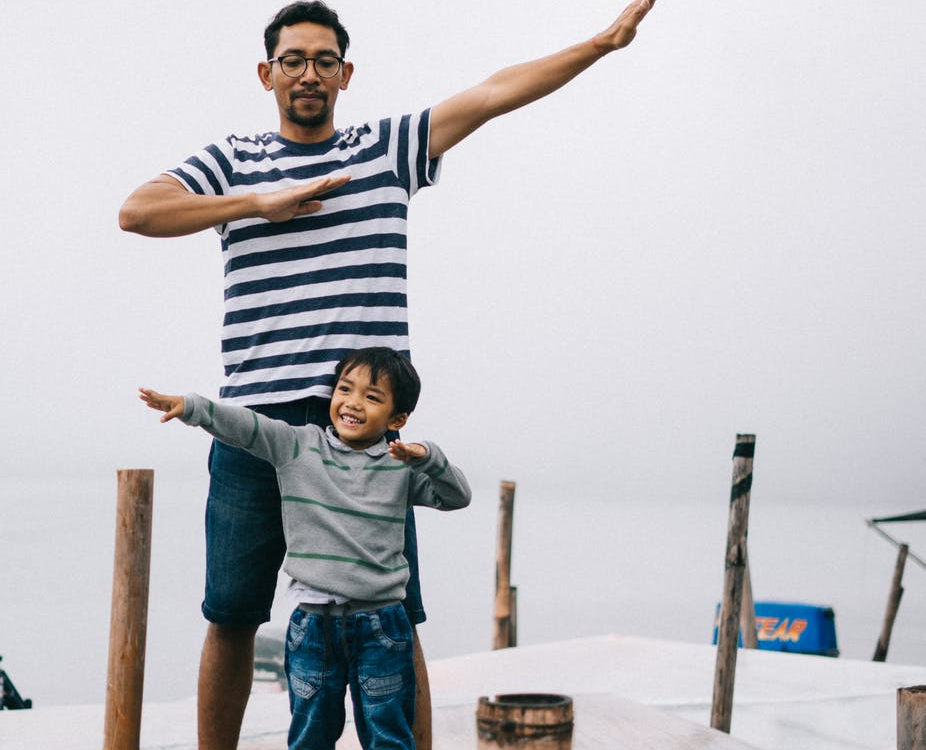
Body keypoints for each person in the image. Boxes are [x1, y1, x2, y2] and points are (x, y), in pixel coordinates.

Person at [118, 2, 656, 748]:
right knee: (232, 615)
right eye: (294, 60)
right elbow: (138, 211)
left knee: (396, 617)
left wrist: (600, 43)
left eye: (325, 60)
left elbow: (494, 93)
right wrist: (256, 203)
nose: (309, 73)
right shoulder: (234, 161)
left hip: (366, 429)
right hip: (257, 424)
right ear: (267, 74)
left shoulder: (386, 149)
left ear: (346, 74)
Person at [140, 347, 471, 750]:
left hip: (382, 627)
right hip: (313, 626)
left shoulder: (399, 466)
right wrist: (192, 408)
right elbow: (247, 426)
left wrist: (428, 457)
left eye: (371, 397)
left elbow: (456, 496)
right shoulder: (298, 447)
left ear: (397, 419)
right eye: (344, 389)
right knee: (310, 737)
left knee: (388, 736)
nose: (352, 403)